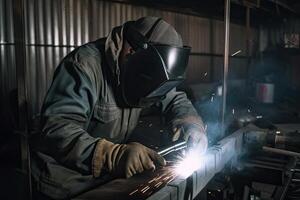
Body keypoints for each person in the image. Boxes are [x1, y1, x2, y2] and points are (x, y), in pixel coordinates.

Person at [31, 16, 208, 199]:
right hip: (63, 185)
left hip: (102, 181)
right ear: (132, 52)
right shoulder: (83, 66)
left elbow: (174, 99)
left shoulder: (143, 70)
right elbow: (56, 129)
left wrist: (191, 124)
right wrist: (112, 156)